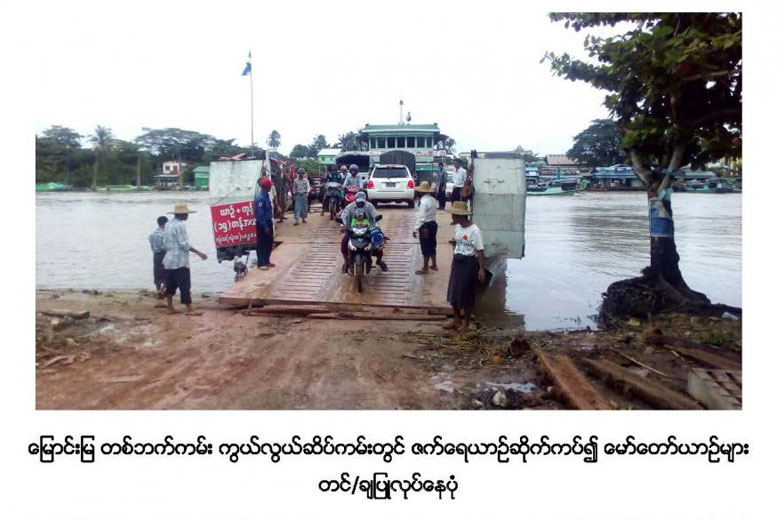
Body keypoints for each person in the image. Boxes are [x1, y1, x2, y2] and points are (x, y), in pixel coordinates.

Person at [444, 201, 486, 332]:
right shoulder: (458, 228)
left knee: (466, 293)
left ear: (459, 216)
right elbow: (457, 244)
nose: (452, 218)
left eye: (453, 215)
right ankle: (456, 320)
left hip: (468, 262)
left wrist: (481, 269)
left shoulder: (474, 230)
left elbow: (480, 250)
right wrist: (453, 259)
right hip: (458, 260)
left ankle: (466, 323)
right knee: (454, 291)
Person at [162, 203, 208, 315]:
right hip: (179, 260)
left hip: (169, 259)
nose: (187, 215)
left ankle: (170, 307)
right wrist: (199, 253)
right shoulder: (180, 226)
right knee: (185, 284)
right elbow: (184, 244)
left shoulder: (168, 224)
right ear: (182, 214)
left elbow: (165, 243)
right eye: (186, 214)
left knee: (170, 284)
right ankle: (189, 308)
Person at [341, 191, 387, 273]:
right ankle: (346, 261)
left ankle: (379, 261)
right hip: (353, 229)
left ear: (365, 200)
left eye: (362, 202)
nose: (360, 204)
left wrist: (375, 225)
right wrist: (344, 225)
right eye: (359, 202)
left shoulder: (369, 206)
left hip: (368, 229)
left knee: (378, 242)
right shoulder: (350, 207)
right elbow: (344, 216)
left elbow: (375, 215)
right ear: (355, 200)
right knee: (344, 243)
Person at [412, 181, 439, 274]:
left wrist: (415, 229)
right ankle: (434, 264)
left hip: (426, 226)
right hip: (433, 223)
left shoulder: (423, 202)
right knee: (432, 244)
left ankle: (425, 267)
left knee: (425, 246)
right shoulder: (433, 199)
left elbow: (422, 217)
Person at [255, 176, 276, 270]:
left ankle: (266, 261)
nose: (271, 187)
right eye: (270, 186)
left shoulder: (266, 196)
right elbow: (260, 214)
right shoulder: (260, 198)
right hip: (263, 223)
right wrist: (264, 226)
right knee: (261, 243)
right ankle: (261, 263)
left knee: (269, 242)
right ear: (266, 187)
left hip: (268, 221)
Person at [149, 215, 168, 298]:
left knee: (157, 273)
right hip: (163, 254)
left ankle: (158, 290)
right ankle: (162, 290)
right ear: (165, 224)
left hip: (155, 255)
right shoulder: (164, 234)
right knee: (168, 273)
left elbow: (152, 245)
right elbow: (163, 247)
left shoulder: (152, 234)